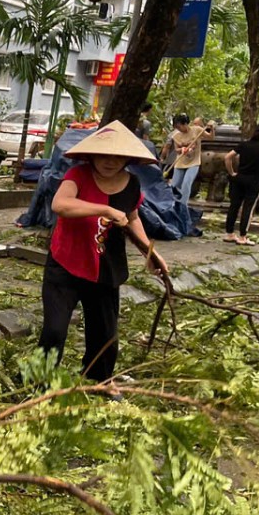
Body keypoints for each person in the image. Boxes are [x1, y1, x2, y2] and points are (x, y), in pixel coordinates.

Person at [38, 121, 168, 386]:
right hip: (66, 265)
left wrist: (150, 252)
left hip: (106, 268)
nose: (110, 161)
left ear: (127, 159)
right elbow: (61, 204)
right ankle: (39, 382)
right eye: (104, 154)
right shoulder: (78, 175)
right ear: (92, 154)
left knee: (105, 334)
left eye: (117, 156)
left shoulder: (131, 184)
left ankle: (97, 381)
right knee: (54, 330)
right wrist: (104, 210)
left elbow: (132, 218)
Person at [223, 121, 259, 245]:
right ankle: (242, 237)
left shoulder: (244, 144)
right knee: (248, 208)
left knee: (234, 206)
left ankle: (229, 234)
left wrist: (232, 172)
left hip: (239, 178)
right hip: (254, 180)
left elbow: (227, 157)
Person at [169, 113, 214, 208]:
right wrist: (182, 149)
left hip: (194, 162)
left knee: (186, 183)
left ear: (185, 124)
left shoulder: (196, 130)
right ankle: (172, 205)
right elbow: (177, 150)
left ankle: (182, 206)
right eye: (176, 127)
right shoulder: (176, 135)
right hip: (180, 162)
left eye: (179, 126)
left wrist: (212, 128)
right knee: (175, 185)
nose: (178, 128)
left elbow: (211, 137)